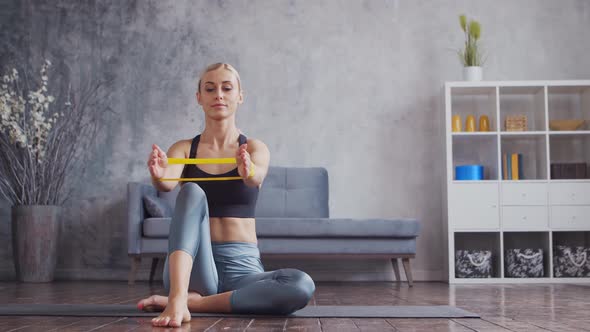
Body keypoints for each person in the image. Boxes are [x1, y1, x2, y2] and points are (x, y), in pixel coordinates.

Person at [138, 63, 316, 328]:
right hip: (194, 267)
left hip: (243, 271)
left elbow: (255, 177)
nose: (218, 95)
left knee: (301, 285)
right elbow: (166, 183)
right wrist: (158, 173)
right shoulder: (185, 148)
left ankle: (192, 303)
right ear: (199, 98)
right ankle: (178, 297)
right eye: (210, 89)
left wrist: (248, 170)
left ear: (239, 96)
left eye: (226, 88)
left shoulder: (254, 147)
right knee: (191, 191)